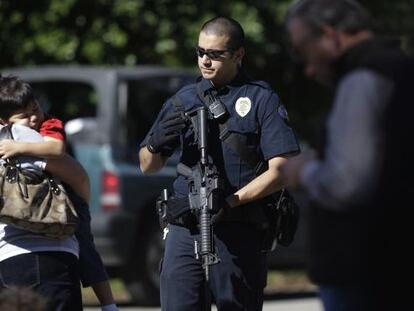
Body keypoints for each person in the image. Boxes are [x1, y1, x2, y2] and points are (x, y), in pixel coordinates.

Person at [139, 16, 299, 311]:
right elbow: (147, 166)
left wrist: (231, 202)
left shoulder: (261, 98)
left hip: (237, 228)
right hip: (185, 229)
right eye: (200, 52)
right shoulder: (183, 98)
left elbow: (282, 170)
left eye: (215, 54)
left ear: (238, 55)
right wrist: (154, 143)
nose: (205, 61)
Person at [279, 0, 413, 310]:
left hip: (365, 270)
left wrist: (305, 171)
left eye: (302, 50)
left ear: (330, 35)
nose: (308, 68)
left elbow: (346, 183)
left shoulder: (363, 80)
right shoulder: (399, 69)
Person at [0, 76, 118, 311]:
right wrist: (81, 202)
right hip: (53, 258)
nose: (33, 119)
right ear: (5, 121)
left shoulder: (29, 134)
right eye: (24, 116)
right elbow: (80, 178)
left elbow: (57, 148)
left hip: (9, 257)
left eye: (35, 109)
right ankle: (109, 305)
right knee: (85, 238)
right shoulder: (25, 135)